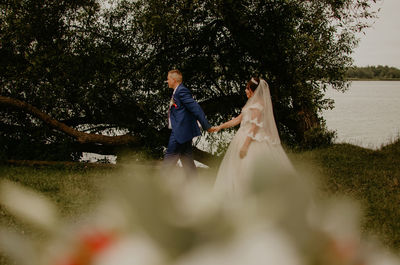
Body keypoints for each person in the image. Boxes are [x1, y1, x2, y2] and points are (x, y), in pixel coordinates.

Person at [210, 77, 294, 197]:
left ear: (253, 90)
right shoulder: (251, 104)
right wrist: (220, 127)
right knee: (239, 171)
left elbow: (255, 127)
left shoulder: (258, 105)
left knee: (250, 169)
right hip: (243, 136)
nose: (245, 90)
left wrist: (245, 145)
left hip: (252, 140)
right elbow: (238, 119)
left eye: (247, 88)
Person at [163, 69, 212, 177]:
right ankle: (194, 187)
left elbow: (195, 108)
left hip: (179, 132)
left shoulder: (181, 91)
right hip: (183, 132)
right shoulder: (177, 91)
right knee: (187, 161)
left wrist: (206, 125)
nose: (167, 81)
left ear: (174, 80)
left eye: (168, 79)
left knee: (169, 160)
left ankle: (159, 187)